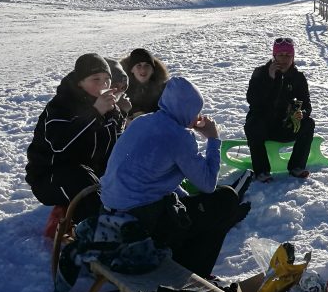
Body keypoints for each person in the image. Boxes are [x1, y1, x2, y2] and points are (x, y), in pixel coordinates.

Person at [99, 76, 250, 278]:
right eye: (195, 111)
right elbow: (207, 184)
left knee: (193, 205)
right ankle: (193, 271)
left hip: (108, 210)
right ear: (187, 110)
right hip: (139, 223)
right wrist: (213, 140)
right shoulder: (179, 137)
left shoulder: (142, 121)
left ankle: (182, 252)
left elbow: (153, 174)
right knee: (225, 200)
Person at [26, 53, 127, 222]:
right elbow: (60, 143)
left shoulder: (108, 107)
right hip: (50, 177)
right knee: (80, 180)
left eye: (107, 79)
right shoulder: (61, 105)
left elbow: (116, 147)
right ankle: (96, 230)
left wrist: (120, 116)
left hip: (92, 172)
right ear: (80, 82)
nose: (104, 84)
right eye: (96, 79)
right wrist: (95, 113)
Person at [244, 37, 315, 182]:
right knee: (252, 124)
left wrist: (303, 113)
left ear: (293, 57)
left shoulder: (298, 78)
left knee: (309, 123)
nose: (284, 59)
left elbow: (307, 104)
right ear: (274, 56)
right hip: (264, 125)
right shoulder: (260, 73)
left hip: (285, 125)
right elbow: (253, 100)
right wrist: (269, 79)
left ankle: (297, 166)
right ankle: (262, 171)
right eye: (281, 55)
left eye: (288, 55)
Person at [120, 48, 170, 120]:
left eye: (147, 65)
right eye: (139, 65)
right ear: (132, 70)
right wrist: (125, 121)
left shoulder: (163, 89)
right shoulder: (121, 89)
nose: (143, 70)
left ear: (153, 70)